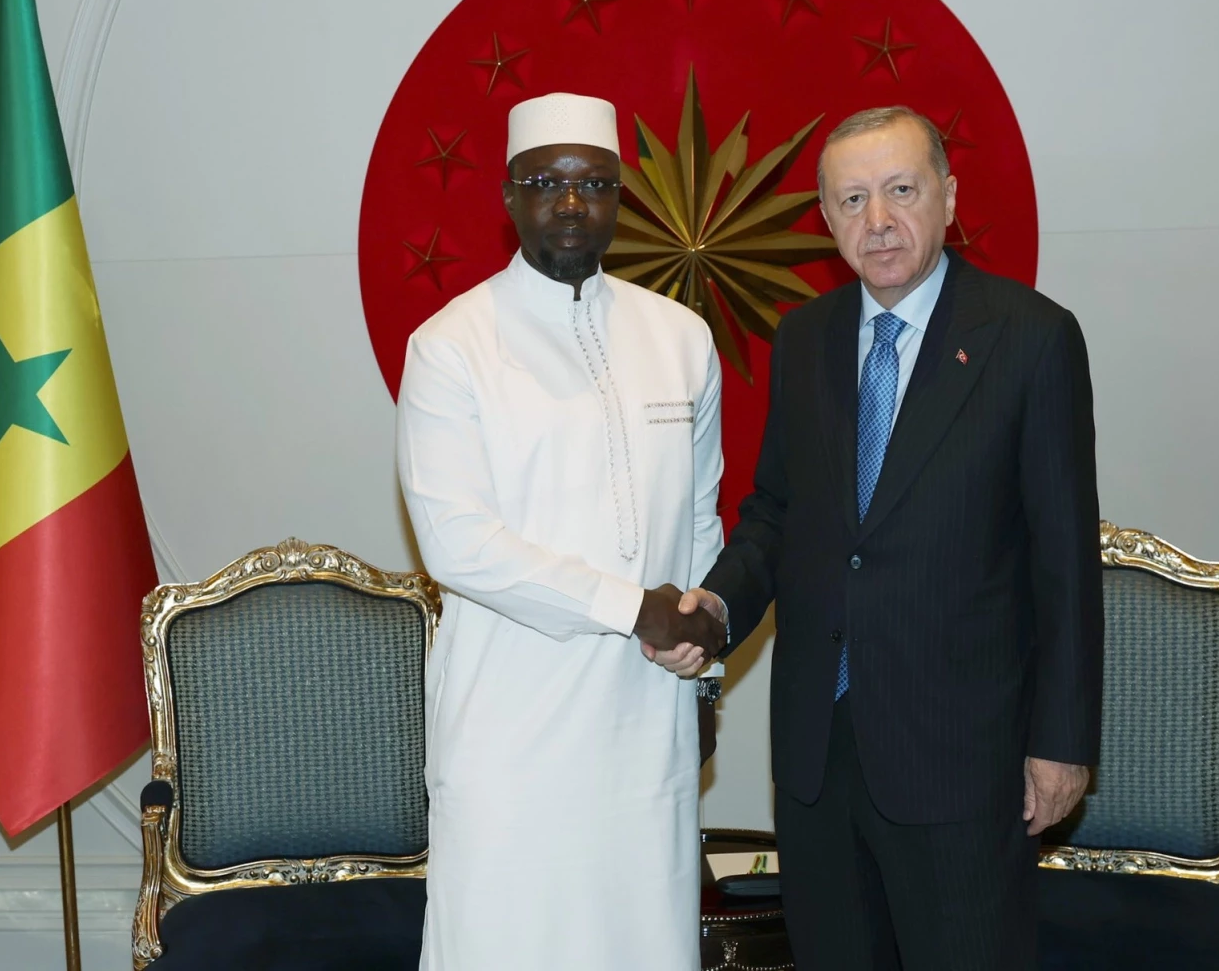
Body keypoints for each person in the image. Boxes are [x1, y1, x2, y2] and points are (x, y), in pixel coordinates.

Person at [664, 106, 1103, 969]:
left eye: (901, 190)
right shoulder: (805, 339)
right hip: (818, 758)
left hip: (962, 760)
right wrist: (717, 604)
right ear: (828, 219)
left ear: (948, 196)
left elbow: (1065, 563)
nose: (879, 220)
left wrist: (1062, 743)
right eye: (853, 199)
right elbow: (777, 513)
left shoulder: (1031, 338)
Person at [396, 91, 726, 971]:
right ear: (509, 196)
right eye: (547, 182)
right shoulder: (452, 345)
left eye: (595, 183)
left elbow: (700, 523)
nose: (572, 202)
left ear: (622, 196)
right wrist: (631, 606)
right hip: (509, 729)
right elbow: (458, 542)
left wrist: (704, 678)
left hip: (646, 721)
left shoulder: (681, 338)